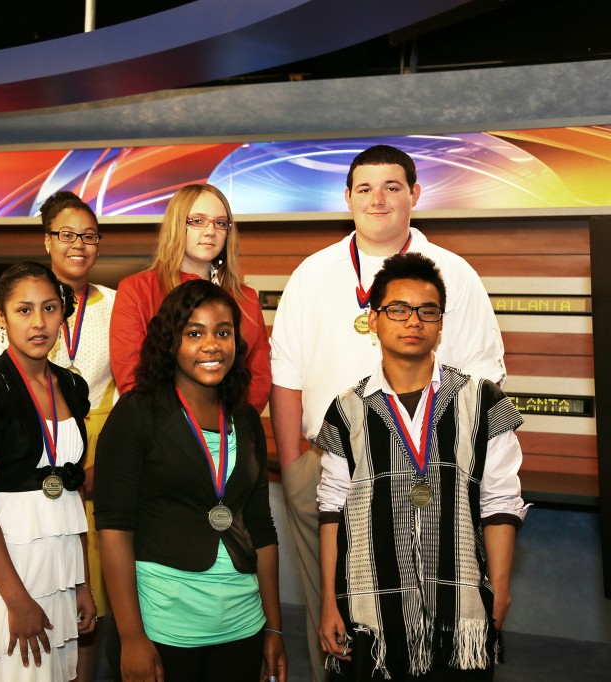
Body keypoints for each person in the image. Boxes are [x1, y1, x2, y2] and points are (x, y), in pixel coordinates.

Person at [269, 145, 506, 680]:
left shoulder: (456, 274)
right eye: (364, 188)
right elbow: (286, 376)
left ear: (415, 195)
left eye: (393, 187)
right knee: (333, 612)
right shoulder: (312, 274)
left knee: (441, 611)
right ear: (347, 197)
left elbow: (486, 381)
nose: (378, 199)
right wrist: (293, 467)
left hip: (436, 474)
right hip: (329, 470)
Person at [315, 253, 525, 680]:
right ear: (374, 321)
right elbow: (331, 511)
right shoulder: (346, 409)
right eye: (398, 309)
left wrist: (499, 594)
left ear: (441, 323)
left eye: (427, 311)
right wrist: (327, 601)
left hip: (458, 607)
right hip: (370, 607)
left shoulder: (483, 402)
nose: (413, 321)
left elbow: (501, 504)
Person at [96, 279, 287, 682]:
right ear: (170, 342)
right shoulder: (137, 413)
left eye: (223, 332)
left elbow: (262, 530)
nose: (212, 345)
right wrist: (131, 637)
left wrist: (273, 626)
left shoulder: (246, 418)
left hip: (242, 623)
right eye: (194, 333)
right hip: (164, 626)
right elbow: (114, 528)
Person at [0, 190, 117, 682]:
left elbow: (129, 385)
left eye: (88, 235)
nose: (78, 244)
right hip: (23, 448)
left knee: (88, 582)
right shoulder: (18, 300)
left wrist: (109, 456)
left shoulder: (116, 304)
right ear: (47, 240)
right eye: (66, 234)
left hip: (92, 442)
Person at [0, 261, 97, 681]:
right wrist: (16, 600)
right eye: (24, 310)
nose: (39, 323)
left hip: (60, 567)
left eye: (50, 309)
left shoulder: (72, 386)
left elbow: (72, 493)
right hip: (7, 568)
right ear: (1, 317)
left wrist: (82, 583)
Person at [109, 183, 271, 414]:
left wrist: (230, 424)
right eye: (198, 221)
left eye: (220, 223)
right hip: (160, 431)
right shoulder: (137, 290)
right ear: (177, 225)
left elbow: (258, 377)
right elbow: (131, 376)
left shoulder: (246, 298)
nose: (210, 231)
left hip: (230, 433)